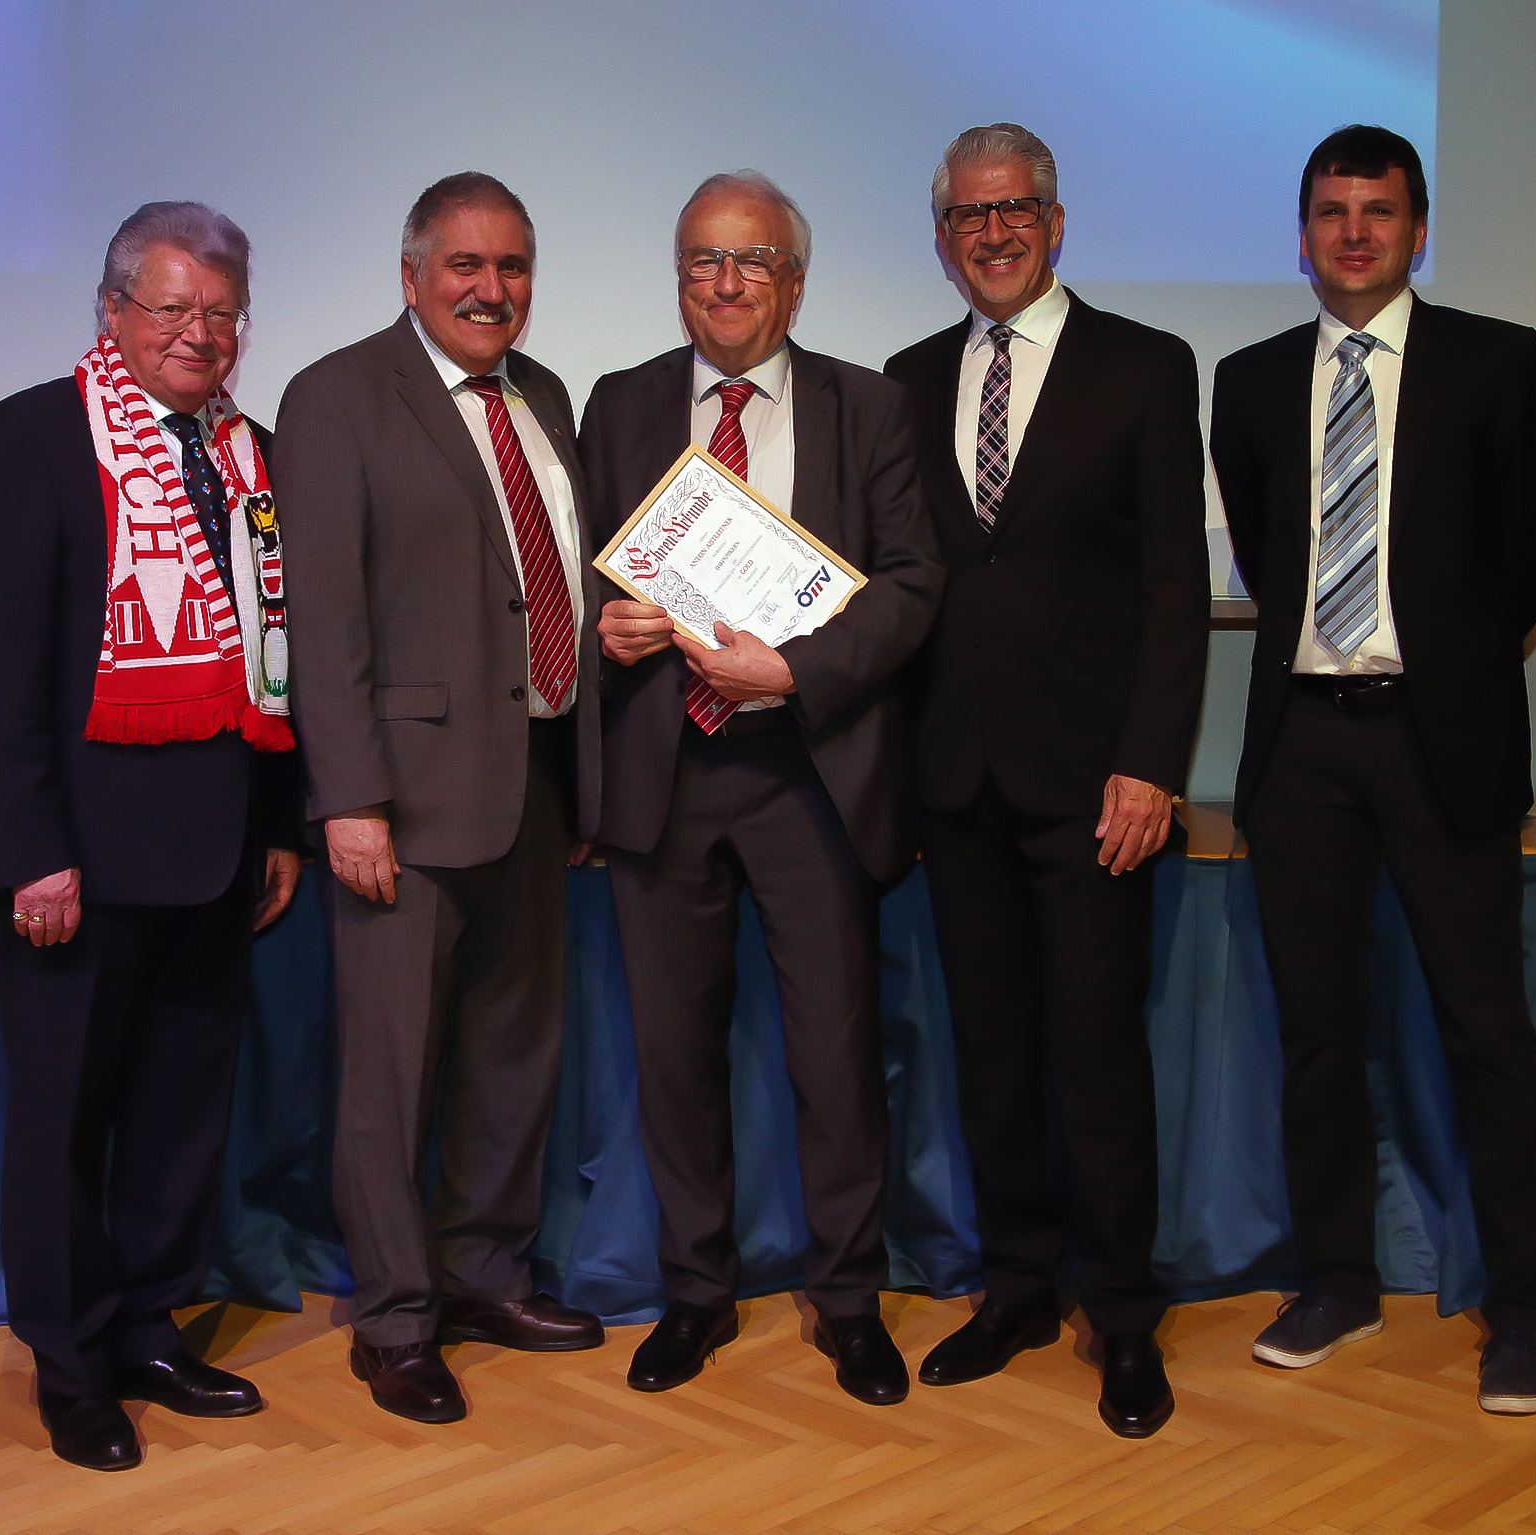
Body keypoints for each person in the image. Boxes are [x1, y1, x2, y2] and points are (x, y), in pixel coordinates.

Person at [1211, 125, 1536, 1415]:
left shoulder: (1499, 360)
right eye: (1330, 210)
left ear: (1418, 230)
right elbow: (1264, 547)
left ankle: (1522, 1310)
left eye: (1377, 210)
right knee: (1316, 1031)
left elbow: (1529, 547)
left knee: (1484, 1028)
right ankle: (1336, 1280)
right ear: (1301, 233)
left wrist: (1446, 660)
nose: (1353, 232)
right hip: (1302, 742)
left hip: (1441, 737)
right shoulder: (1249, 379)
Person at [0, 202, 304, 1471]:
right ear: (112, 311)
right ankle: (71, 1358)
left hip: (214, 853)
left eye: (221, 312)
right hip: (76, 864)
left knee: (177, 1115)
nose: (199, 332)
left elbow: (272, 657)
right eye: (172, 307)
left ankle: (149, 1325)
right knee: (63, 1125)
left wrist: (276, 825)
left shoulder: (250, 455)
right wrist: (29, 849)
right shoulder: (33, 436)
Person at [584, 171, 943, 1407]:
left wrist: (793, 669)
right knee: (673, 1054)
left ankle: (847, 1297)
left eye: (752, 261)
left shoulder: (869, 404)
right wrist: (609, 625)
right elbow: (578, 572)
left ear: (794, 281)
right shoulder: (620, 401)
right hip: (665, 770)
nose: (725, 283)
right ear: (677, 278)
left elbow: (910, 582)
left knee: (835, 1056)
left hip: (809, 769)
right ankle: (694, 1292)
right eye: (702, 260)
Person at [884, 124, 1209, 1439]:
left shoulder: (1144, 364)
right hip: (953, 781)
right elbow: (900, 586)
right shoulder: (904, 379)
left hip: (1094, 787)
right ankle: (1016, 1287)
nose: (994, 231)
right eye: (969, 215)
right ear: (941, 236)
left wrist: (1151, 763)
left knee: (1096, 1057)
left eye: (1014, 208)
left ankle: (1121, 1315)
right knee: (992, 1053)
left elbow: (1173, 589)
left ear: (1056, 221)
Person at [270, 172, 604, 1425]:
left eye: (511, 265)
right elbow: (324, 615)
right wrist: (348, 797)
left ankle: (483, 1276)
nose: (489, 288)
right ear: (411, 274)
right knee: (390, 1076)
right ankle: (397, 1319)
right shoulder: (336, 395)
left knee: (512, 1058)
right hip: (400, 808)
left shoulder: (544, 395)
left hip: (534, 786)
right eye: (464, 264)